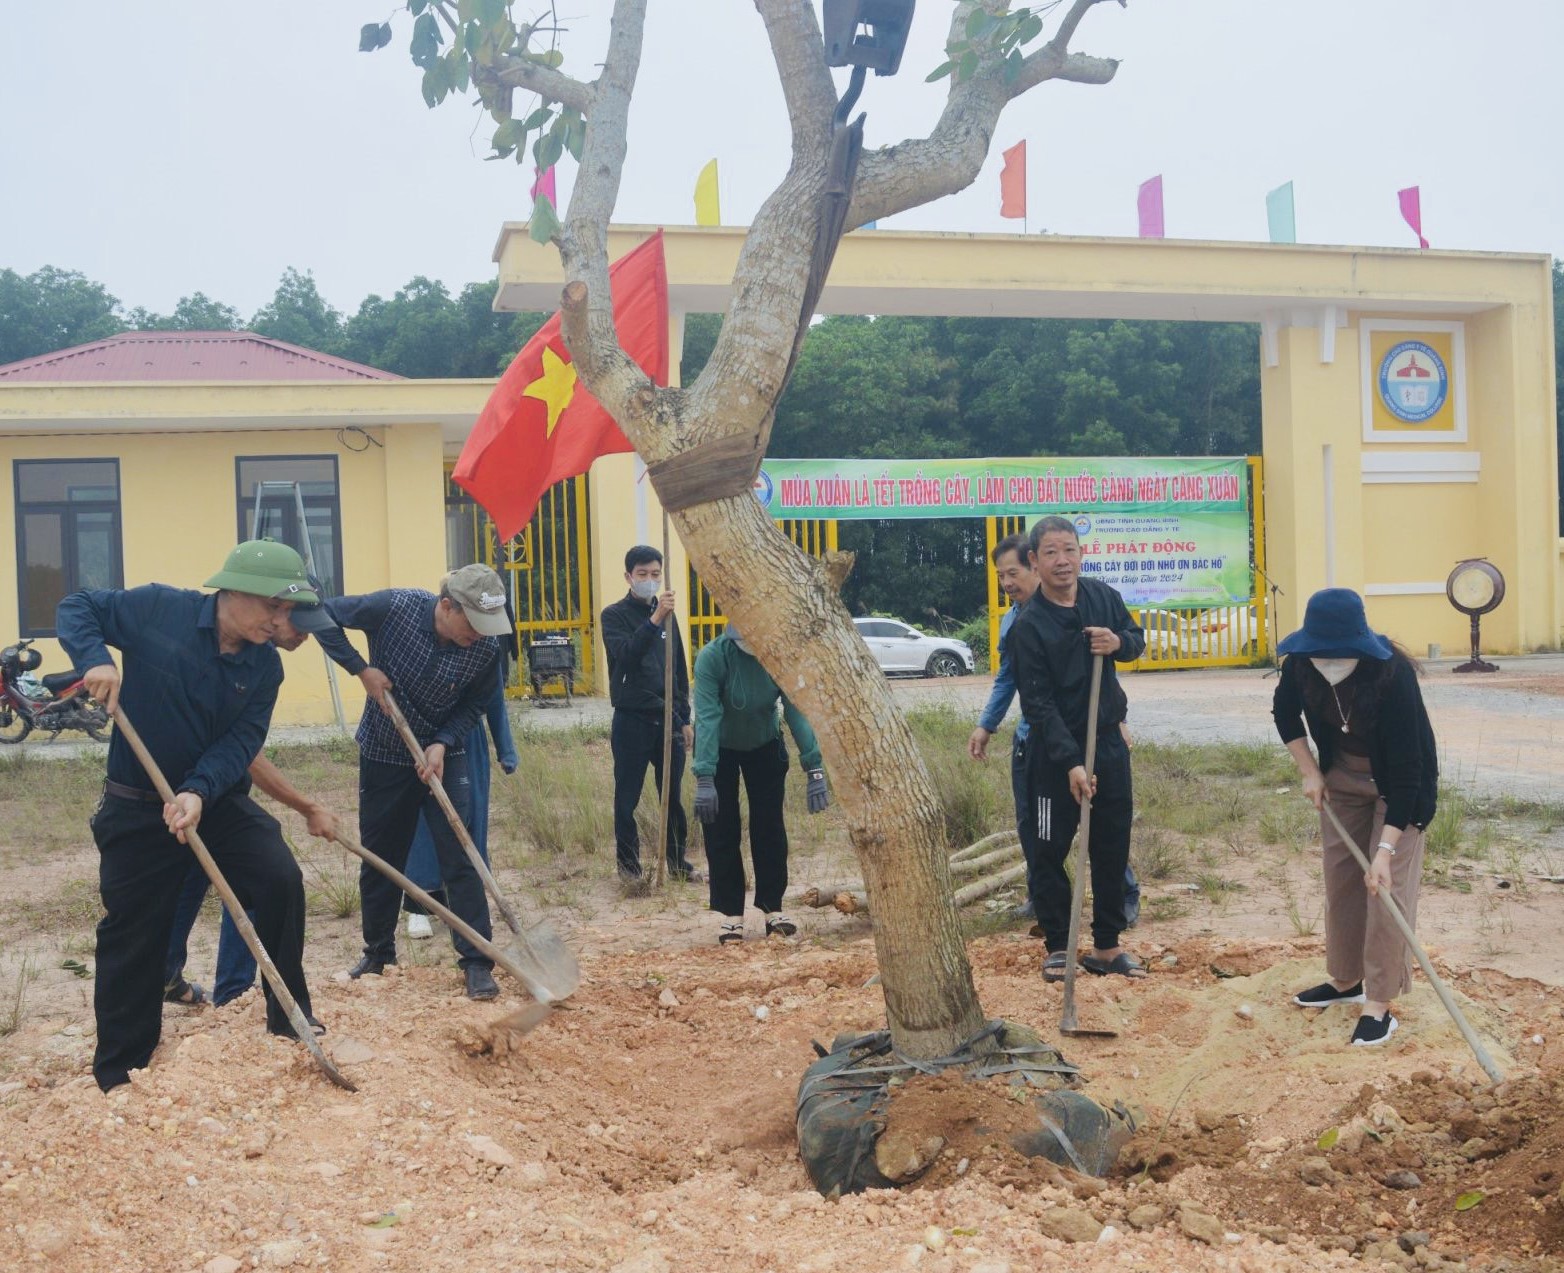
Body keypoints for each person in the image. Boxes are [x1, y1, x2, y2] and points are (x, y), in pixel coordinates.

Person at [56, 539, 322, 1092]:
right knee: (136, 930)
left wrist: (199, 791)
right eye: (274, 607)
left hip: (215, 803)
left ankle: (290, 1019)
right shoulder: (159, 610)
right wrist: (95, 658)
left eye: (287, 610)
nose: (281, 621)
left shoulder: (264, 666)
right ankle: (122, 1072)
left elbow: (242, 739)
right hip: (137, 804)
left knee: (278, 876)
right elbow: (77, 606)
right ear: (233, 592)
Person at [313, 564, 509, 1001]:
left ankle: (477, 961)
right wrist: (361, 670)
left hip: (445, 755)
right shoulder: (393, 607)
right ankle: (378, 954)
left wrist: (442, 741)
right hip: (385, 752)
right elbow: (322, 615)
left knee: (461, 855)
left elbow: (478, 701)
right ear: (446, 606)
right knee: (381, 854)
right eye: (473, 624)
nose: (479, 635)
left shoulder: (485, 648)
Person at [1272, 588, 1437, 1046]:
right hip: (1341, 779)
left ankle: (1379, 1003)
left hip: (1398, 788)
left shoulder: (1393, 675)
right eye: (1321, 652)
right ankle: (1347, 981)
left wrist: (1385, 851)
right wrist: (1309, 772)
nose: (1330, 661)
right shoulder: (1301, 667)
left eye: (1339, 653)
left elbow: (1408, 775)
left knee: (1385, 891)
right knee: (1342, 880)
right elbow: (1284, 715)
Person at [162, 597, 343, 1005]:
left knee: (248, 881)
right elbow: (250, 756)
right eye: (298, 623)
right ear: (272, 611)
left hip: (218, 797)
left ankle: (231, 990)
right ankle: (185, 980)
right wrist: (307, 806)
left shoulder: (262, 665)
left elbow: (245, 748)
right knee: (187, 886)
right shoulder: (221, 650)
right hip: (181, 797)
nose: (304, 635)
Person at [969, 534, 1142, 929]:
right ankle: (1054, 923)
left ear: (1033, 567)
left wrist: (1116, 720)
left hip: (1098, 742)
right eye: (1001, 576)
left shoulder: (1095, 600)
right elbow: (1018, 687)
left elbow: (1105, 671)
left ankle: (1115, 916)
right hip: (1042, 745)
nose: (1008, 582)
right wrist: (987, 725)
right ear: (1040, 560)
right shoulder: (1019, 623)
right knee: (1042, 837)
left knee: (1108, 834)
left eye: (1013, 573)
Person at [1012, 515, 1147, 982]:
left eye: (1069, 549)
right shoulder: (1029, 626)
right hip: (1055, 757)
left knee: (1111, 846)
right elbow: (1038, 704)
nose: (1062, 560)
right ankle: (1057, 945)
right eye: (1050, 552)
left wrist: (1117, 642)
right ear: (1034, 560)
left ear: (1081, 554)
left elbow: (1136, 641)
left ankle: (1107, 946)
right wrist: (1070, 762)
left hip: (1107, 743)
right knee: (1047, 849)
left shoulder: (1102, 598)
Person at [691, 622, 829, 944]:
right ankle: (731, 915)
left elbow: (796, 711)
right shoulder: (712, 658)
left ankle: (773, 908)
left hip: (765, 745)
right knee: (721, 828)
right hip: (720, 750)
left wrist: (814, 767)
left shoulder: (780, 655)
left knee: (768, 827)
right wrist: (705, 775)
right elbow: (708, 718)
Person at [403, 624, 520, 939]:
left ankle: (467, 903)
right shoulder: (422, 637)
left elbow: (493, 698)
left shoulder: (486, 646)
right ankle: (419, 905)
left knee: (468, 822)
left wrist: (506, 749)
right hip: (423, 742)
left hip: (467, 742)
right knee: (421, 825)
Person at [600, 545, 700, 887]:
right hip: (631, 719)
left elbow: (679, 669)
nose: (650, 580)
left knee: (671, 795)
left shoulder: (667, 613)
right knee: (626, 797)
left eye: (656, 574)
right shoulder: (613, 615)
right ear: (628, 576)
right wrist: (654, 619)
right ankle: (629, 869)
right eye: (642, 574)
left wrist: (684, 717)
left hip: (667, 718)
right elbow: (625, 656)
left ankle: (676, 861)